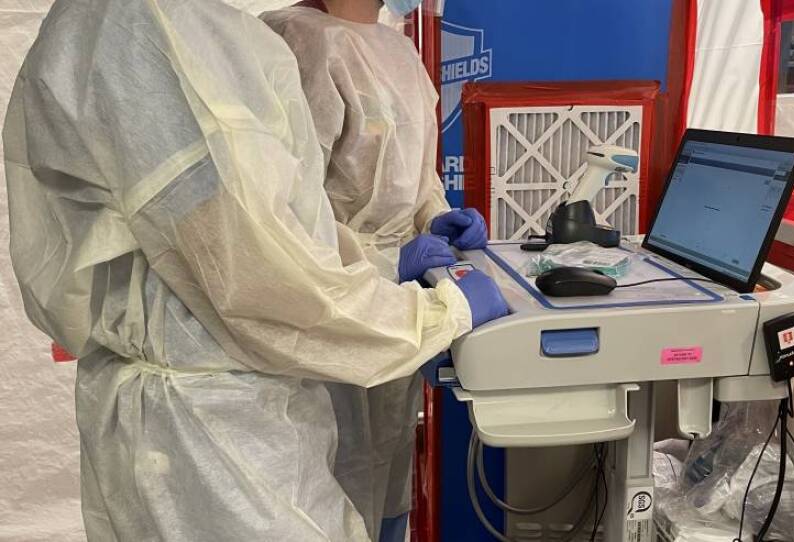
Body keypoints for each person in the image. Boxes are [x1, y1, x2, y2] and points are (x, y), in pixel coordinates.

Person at [2, 1, 508, 540]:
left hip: (251, 388)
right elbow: (255, 275)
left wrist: (416, 237)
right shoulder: (149, 28)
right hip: (211, 417)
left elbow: (273, 226)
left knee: (373, 490)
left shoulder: (192, 28)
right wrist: (433, 309)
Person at [261, 2, 491, 541]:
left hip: (392, 304)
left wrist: (434, 216)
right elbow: (286, 221)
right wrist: (386, 262)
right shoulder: (298, 40)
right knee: (336, 473)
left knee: (387, 461)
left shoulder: (398, 49)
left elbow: (414, 174)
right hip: (326, 312)